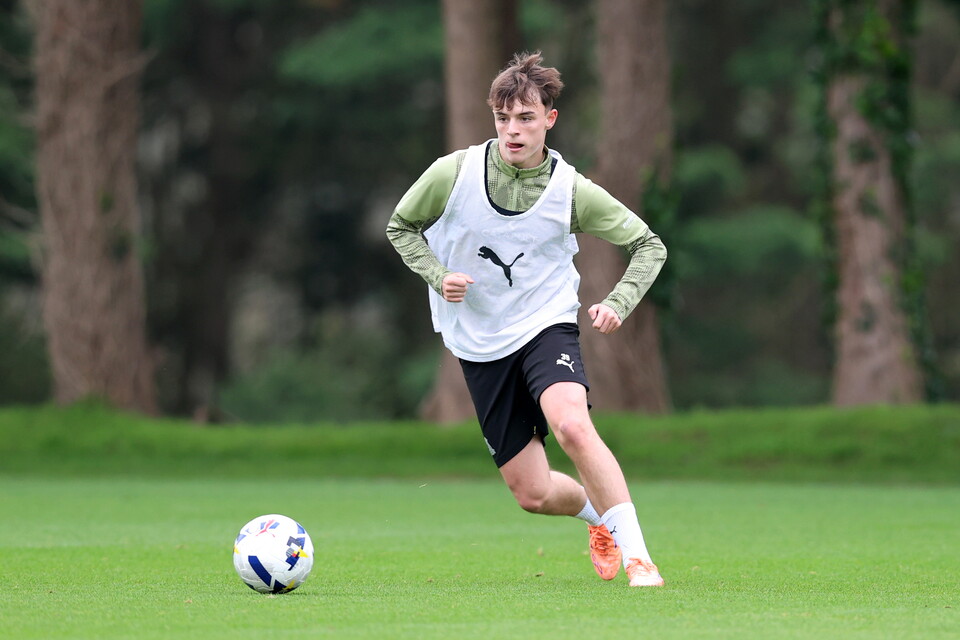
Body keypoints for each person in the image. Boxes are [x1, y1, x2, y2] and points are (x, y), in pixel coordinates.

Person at [386, 51, 667, 587]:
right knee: (532, 494)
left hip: (545, 324)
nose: (512, 130)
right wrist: (437, 274)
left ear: (549, 119)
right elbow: (401, 226)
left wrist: (618, 302)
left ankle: (639, 558)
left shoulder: (571, 190)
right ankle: (599, 518)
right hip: (478, 341)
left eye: (525, 118)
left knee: (572, 426)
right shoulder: (453, 173)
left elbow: (648, 245)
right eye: (503, 117)